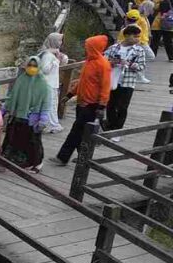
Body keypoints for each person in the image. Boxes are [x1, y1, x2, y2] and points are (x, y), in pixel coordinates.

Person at [53, 36, 112, 166]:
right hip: (82, 102)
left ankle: (63, 157)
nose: (86, 49)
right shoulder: (89, 62)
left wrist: (102, 106)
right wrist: (70, 94)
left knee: (76, 131)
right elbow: (82, 82)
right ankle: (83, 158)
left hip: (92, 104)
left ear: (94, 48)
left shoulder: (103, 65)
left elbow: (105, 87)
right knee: (82, 132)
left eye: (88, 47)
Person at [1, 57, 51, 173]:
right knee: (13, 139)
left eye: (35, 66)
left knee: (33, 142)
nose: (32, 68)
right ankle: (9, 162)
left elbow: (45, 104)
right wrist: (3, 110)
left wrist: (43, 119)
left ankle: (36, 163)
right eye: (30, 65)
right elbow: (12, 98)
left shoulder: (43, 84)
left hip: (33, 118)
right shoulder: (21, 80)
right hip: (17, 115)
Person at [104, 25, 154, 138]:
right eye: (135, 36)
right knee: (111, 105)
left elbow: (142, 66)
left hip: (128, 82)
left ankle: (117, 132)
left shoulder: (139, 50)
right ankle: (110, 127)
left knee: (123, 107)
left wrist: (130, 64)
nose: (137, 39)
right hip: (113, 80)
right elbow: (104, 61)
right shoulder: (114, 48)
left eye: (138, 36)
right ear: (127, 35)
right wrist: (113, 62)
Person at [38, 33, 70, 133]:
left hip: (52, 83)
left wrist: (60, 58)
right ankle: (49, 124)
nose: (61, 42)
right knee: (49, 104)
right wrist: (55, 61)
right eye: (59, 40)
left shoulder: (53, 53)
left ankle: (50, 124)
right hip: (48, 83)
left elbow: (63, 62)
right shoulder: (48, 55)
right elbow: (45, 69)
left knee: (52, 104)